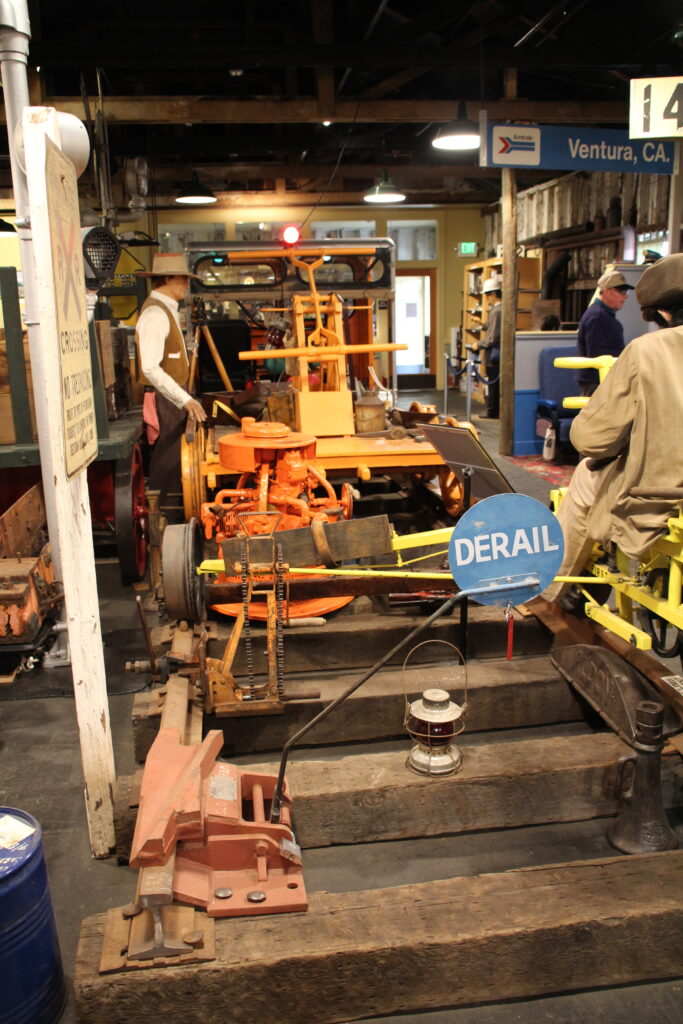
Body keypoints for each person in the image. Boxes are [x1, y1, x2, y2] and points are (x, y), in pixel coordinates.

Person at [538, 253, 683, 604]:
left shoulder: (648, 351)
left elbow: (593, 439)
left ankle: (552, 593)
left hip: (666, 496)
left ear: (663, 311)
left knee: (587, 476)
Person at [135, 252, 207, 509]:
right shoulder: (155, 314)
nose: (186, 285)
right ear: (166, 279)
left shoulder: (166, 310)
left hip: (172, 394)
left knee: (177, 458)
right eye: (181, 279)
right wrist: (184, 399)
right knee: (167, 460)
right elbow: (151, 368)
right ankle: (162, 517)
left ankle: (173, 514)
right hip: (164, 398)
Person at [576, 268, 633, 396]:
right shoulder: (597, 317)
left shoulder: (603, 316)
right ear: (607, 291)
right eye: (621, 291)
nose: (625, 296)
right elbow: (597, 355)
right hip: (598, 383)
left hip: (603, 381)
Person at [477, 276, 502, 419]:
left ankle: (492, 411)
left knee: (494, 386)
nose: (487, 299)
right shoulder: (498, 310)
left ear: (493, 294)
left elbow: (492, 337)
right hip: (496, 353)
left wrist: (477, 344)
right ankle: (493, 410)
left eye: (487, 295)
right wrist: (482, 323)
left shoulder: (497, 311)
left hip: (495, 354)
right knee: (494, 385)